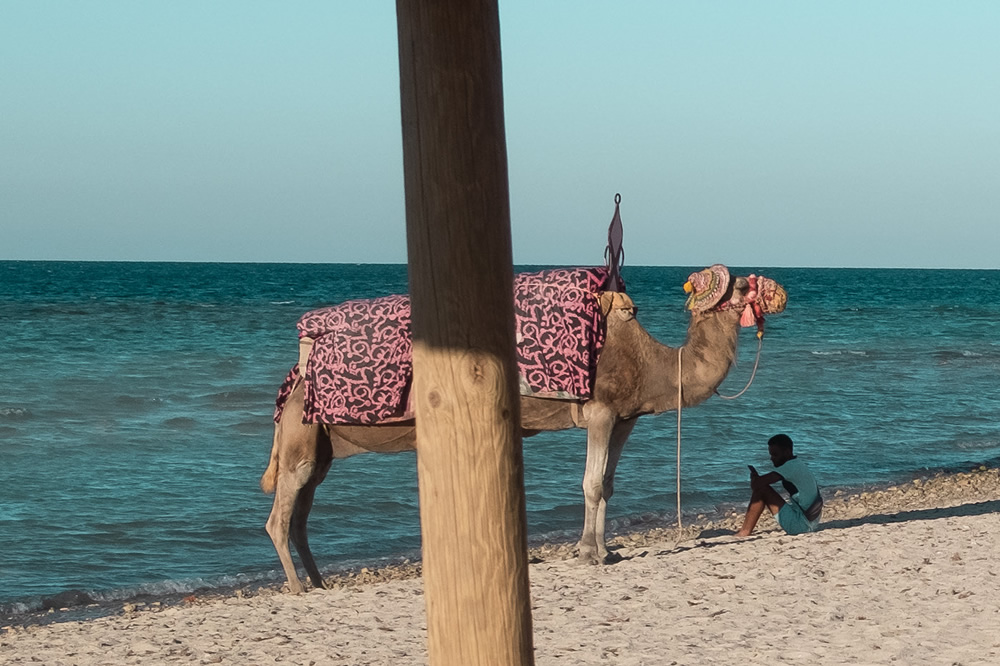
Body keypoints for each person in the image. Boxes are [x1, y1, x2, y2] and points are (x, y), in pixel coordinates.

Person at [736, 433, 822, 537]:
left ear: (787, 452)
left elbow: (757, 486)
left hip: (802, 525)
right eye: (771, 455)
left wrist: (754, 478)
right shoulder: (797, 463)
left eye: (775, 455)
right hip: (811, 521)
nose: (771, 459)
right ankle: (745, 531)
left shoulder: (789, 467)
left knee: (763, 490)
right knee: (763, 488)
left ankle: (744, 531)